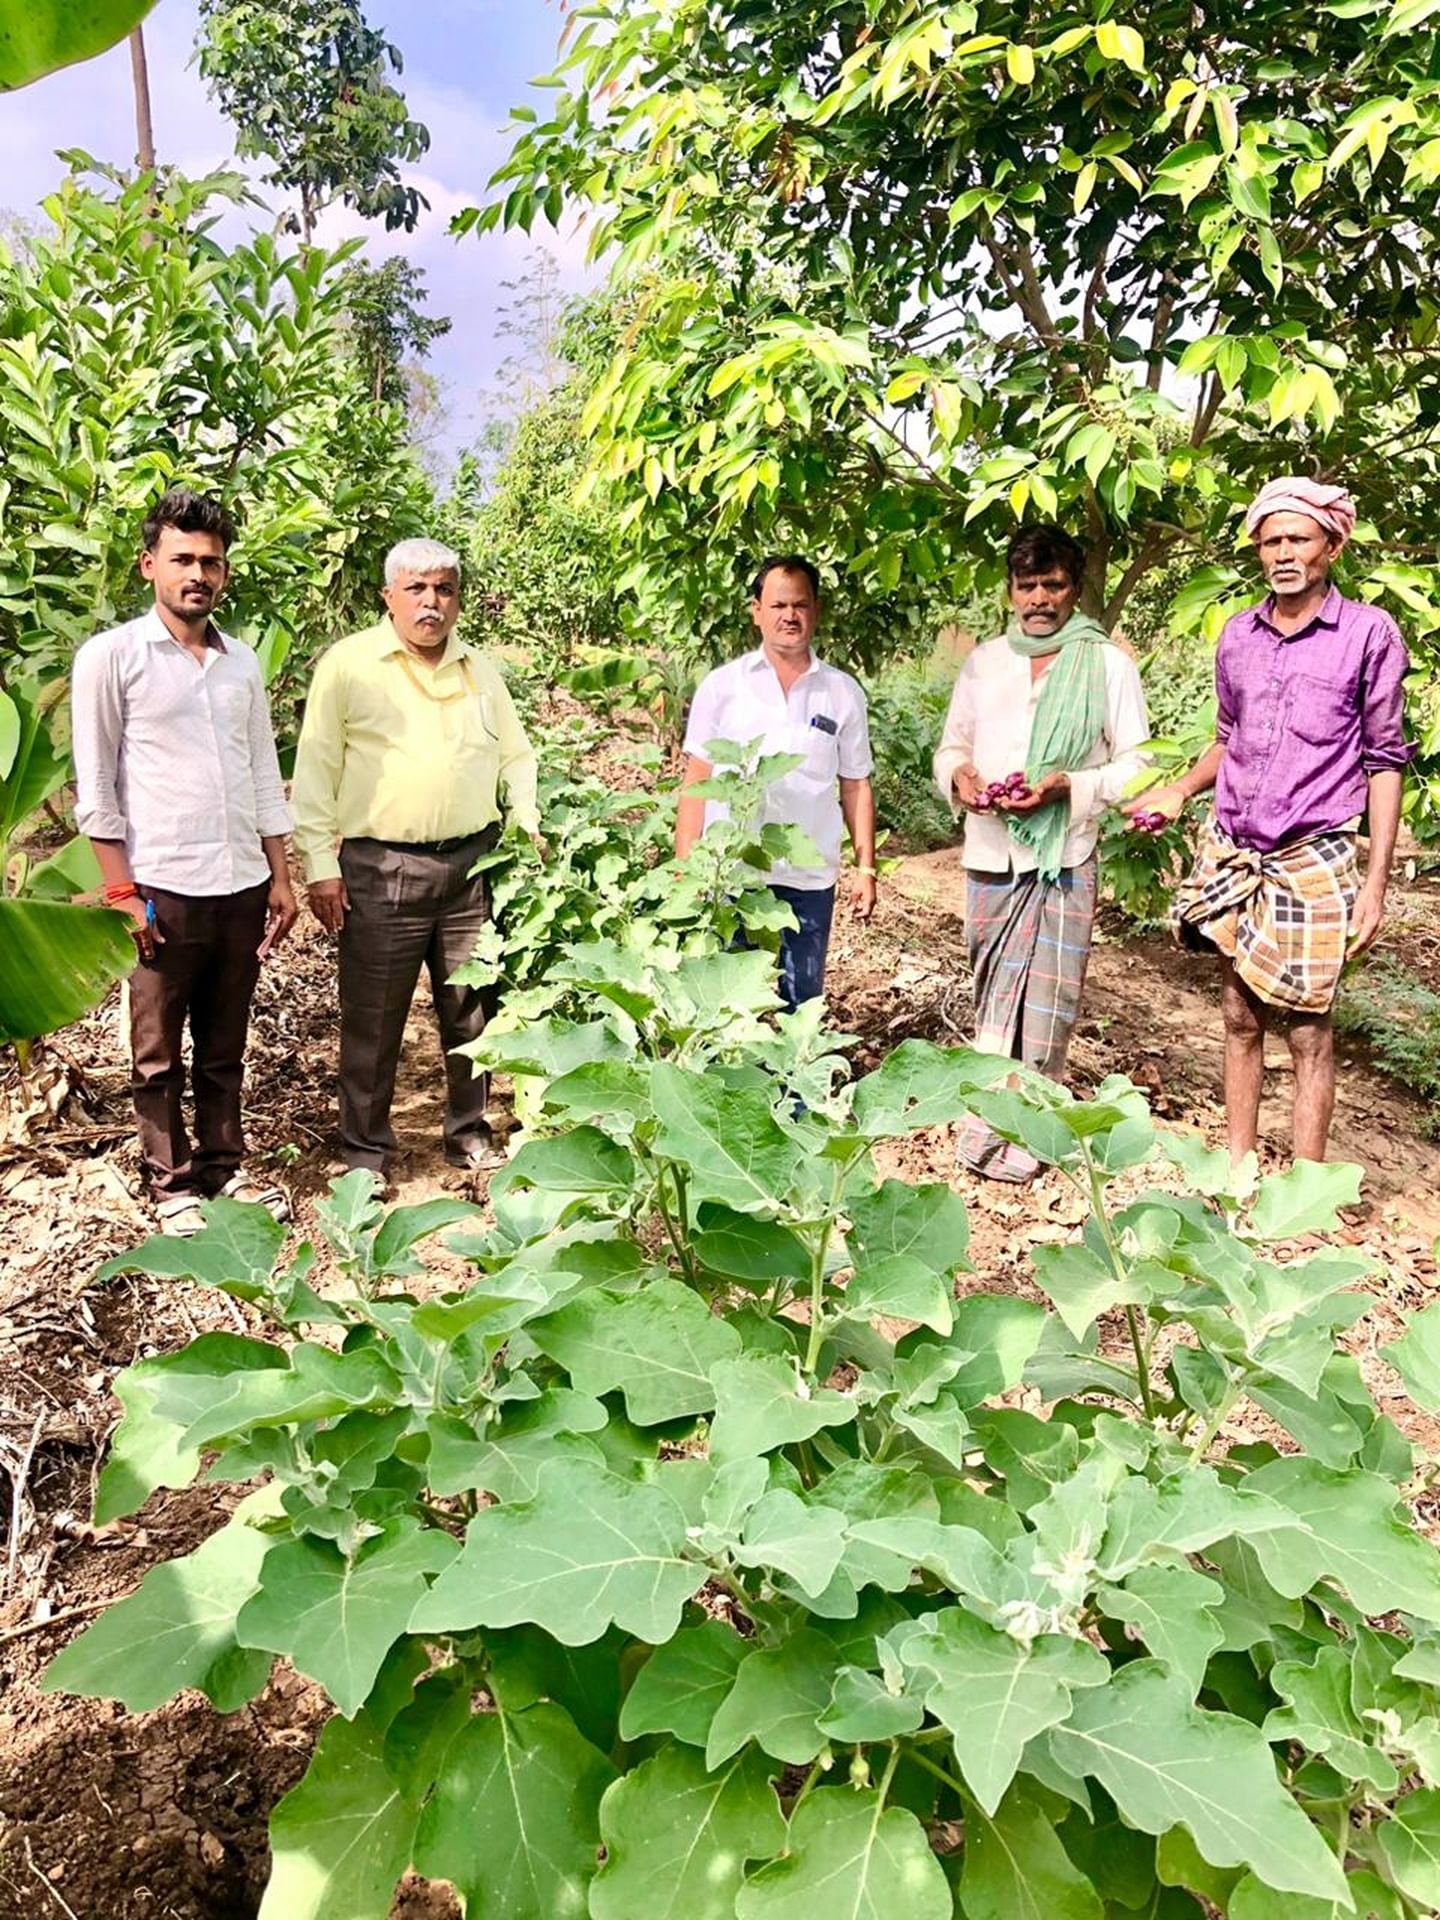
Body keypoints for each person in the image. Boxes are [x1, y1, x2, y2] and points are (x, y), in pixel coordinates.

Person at [1128, 478, 1413, 1168]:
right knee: (1237, 1014)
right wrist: (1178, 790)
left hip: (1315, 854)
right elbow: (1229, 737)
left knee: (1310, 1029)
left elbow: (1384, 761)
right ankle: (1239, 1169)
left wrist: (1374, 884)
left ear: (1332, 546)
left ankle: (1306, 1186)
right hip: (1238, 847)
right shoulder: (1238, 636)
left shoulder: (1367, 634)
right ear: (1258, 550)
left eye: (1299, 539)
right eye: (1272, 541)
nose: (1285, 553)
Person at [72, 489, 297, 1236]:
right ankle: (170, 1185)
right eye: (183, 559)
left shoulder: (240, 669)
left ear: (224, 574)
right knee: (158, 1050)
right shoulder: (112, 658)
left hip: (240, 882)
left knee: (225, 1043)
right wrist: (120, 890)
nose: (198, 573)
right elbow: (97, 782)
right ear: (150, 566)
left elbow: (263, 771)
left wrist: (282, 875)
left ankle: (223, 1167)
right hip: (162, 884)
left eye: (211, 562)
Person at [290, 538, 539, 1187]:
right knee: (374, 1018)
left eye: (445, 589)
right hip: (381, 866)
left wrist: (526, 819)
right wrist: (320, 863)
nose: (432, 602)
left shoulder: (479, 670)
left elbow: (516, 756)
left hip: (471, 865)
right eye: (418, 588)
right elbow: (316, 767)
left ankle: (469, 1132)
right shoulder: (348, 666)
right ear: (389, 596)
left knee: (471, 1007)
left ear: (458, 598)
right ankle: (366, 1153)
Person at [934, 524, 1150, 1182]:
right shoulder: (985, 664)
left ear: (1074, 590)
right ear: (1010, 590)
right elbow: (950, 749)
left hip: (1064, 858)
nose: (1038, 598)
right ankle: (983, 1135)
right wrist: (962, 779)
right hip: (990, 855)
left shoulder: (1107, 665)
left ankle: (1030, 1143)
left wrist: (1070, 788)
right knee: (993, 999)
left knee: (1051, 1005)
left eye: (1052, 585)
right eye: (1026, 585)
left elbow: (1138, 763)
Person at [675, 555, 876, 1008]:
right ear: (756, 611)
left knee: (800, 1003)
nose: (790, 615)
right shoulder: (722, 687)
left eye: (801, 605)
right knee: (726, 1008)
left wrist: (866, 868)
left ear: (816, 611)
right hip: (731, 875)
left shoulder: (841, 692)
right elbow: (697, 781)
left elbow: (856, 784)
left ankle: (791, 1082)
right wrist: (686, 868)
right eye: (779, 604)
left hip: (809, 878)